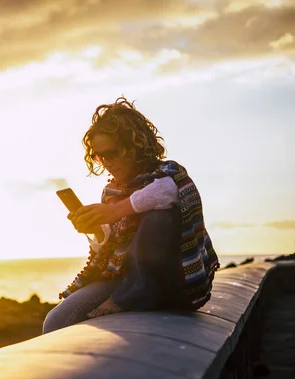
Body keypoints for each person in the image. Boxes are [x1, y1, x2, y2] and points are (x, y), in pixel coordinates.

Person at [43, 97, 219, 335]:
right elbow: (111, 247)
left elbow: (168, 192)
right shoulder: (112, 191)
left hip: (175, 280)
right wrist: (95, 229)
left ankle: (133, 296)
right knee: (56, 321)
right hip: (123, 278)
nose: (107, 162)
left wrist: (114, 211)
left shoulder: (169, 174)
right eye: (99, 156)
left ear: (136, 145)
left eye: (113, 153)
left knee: (159, 215)